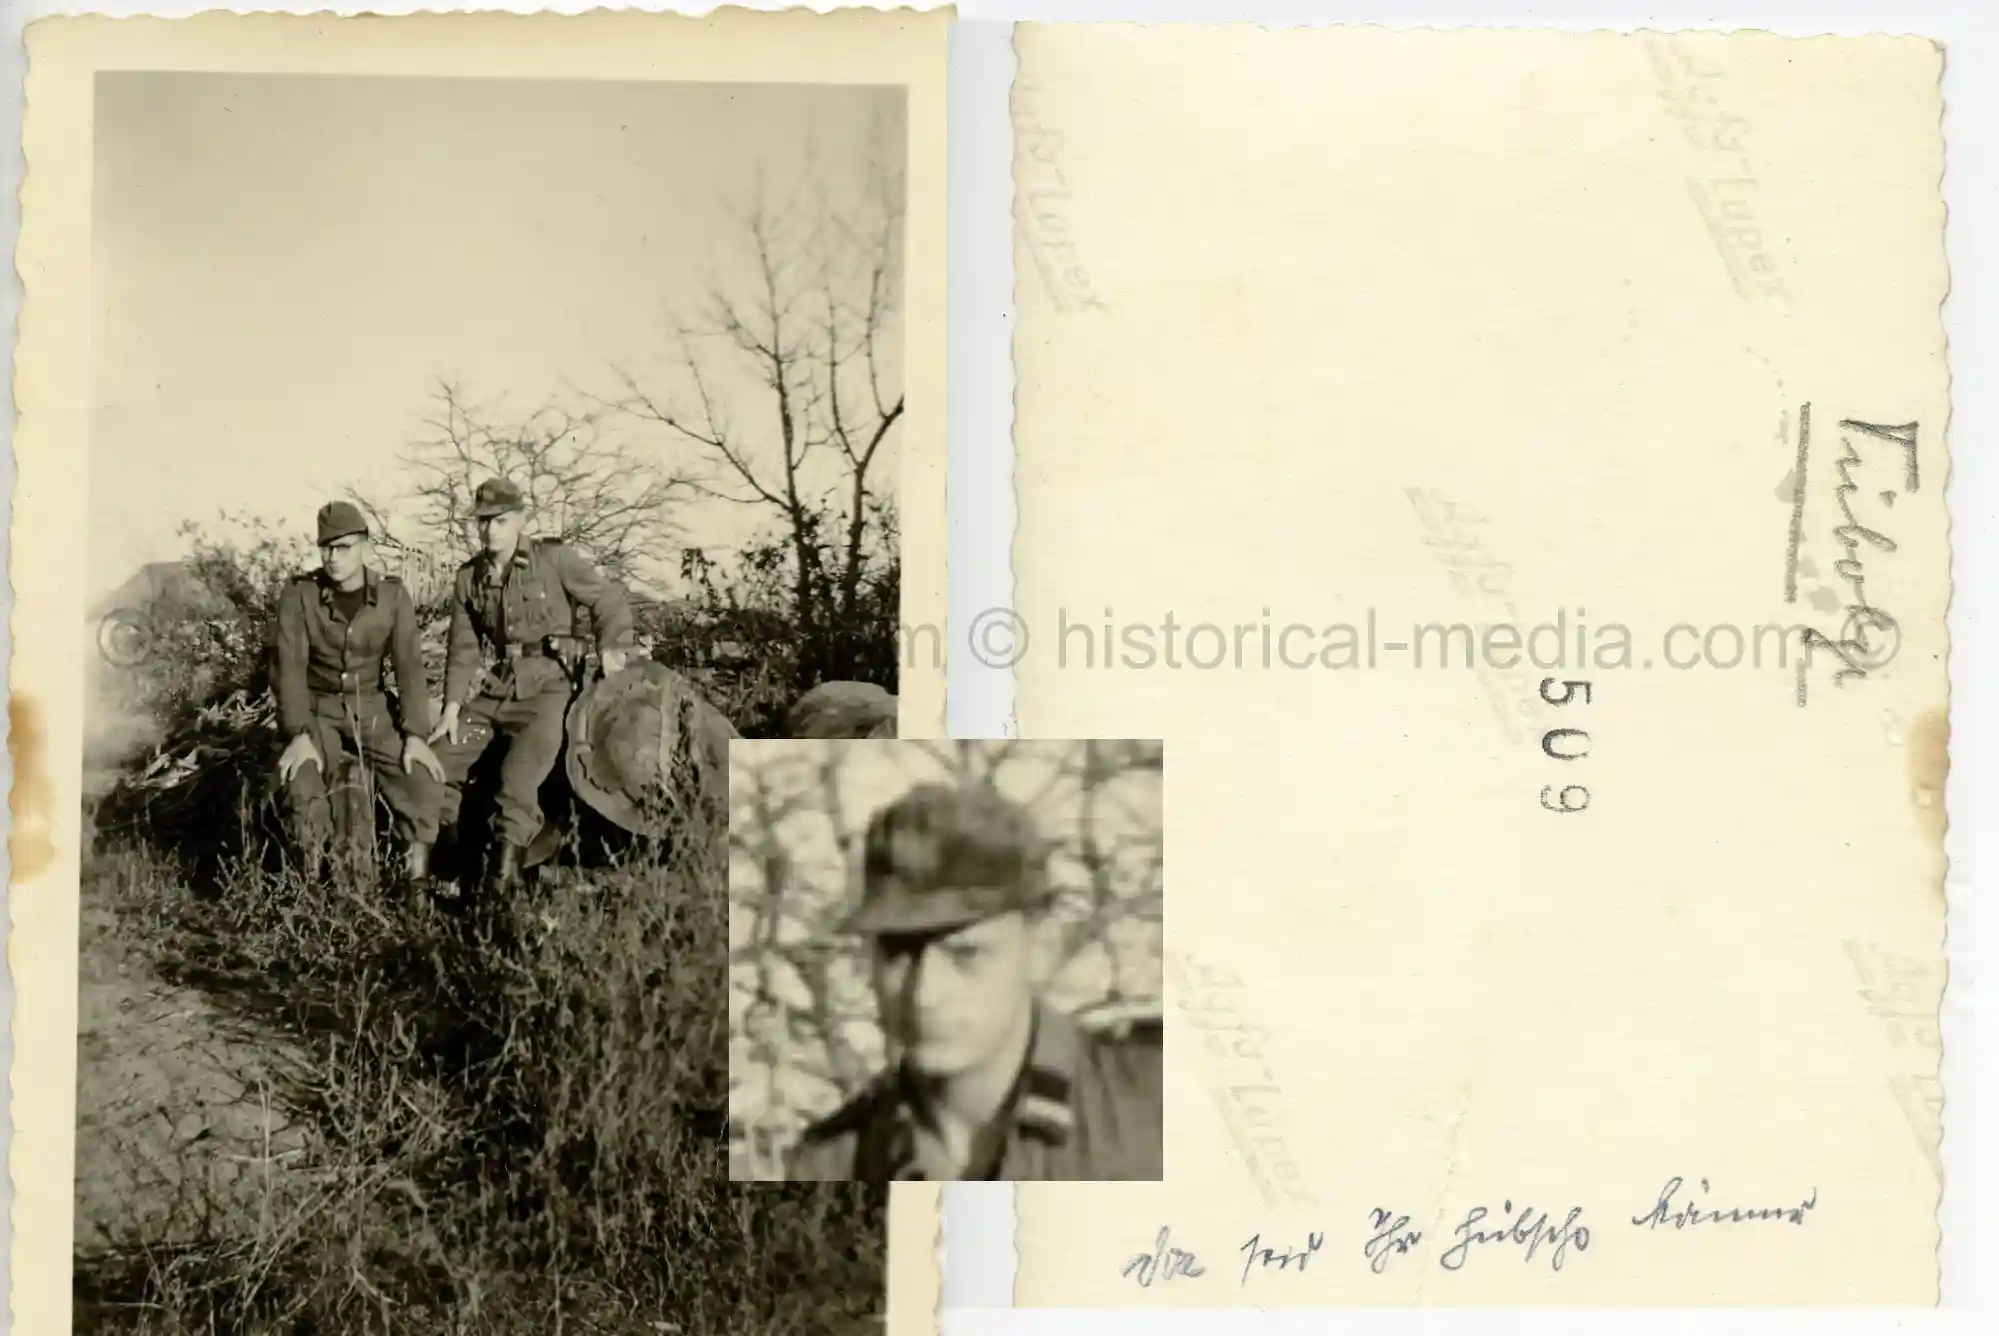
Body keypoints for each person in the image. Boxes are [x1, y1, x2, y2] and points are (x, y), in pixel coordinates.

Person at [786, 782, 1164, 1182]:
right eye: (898, 952)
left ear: (1042, 950)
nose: (924, 993)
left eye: (965, 954)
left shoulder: (1157, 1110)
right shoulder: (829, 1164)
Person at [429, 478, 633, 892]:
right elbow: (463, 648)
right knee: (436, 763)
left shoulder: (553, 559)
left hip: (549, 688)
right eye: (483, 521)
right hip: (496, 689)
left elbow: (607, 599)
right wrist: (451, 708)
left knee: (518, 780)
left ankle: (502, 889)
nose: (490, 530)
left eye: (500, 520)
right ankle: (448, 868)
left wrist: (612, 647)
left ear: (521, 519)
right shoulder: (469, 577)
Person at [273, 501, 447, 881]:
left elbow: (409, 669)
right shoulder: (300, 595)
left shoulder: (391, 596)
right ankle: (310, 890)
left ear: (365, 545)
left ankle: (415, 888)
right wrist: (298, 735)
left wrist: (415, 735)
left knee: (421, 783)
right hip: (317, 712)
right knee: (303, 783)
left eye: (343, 547)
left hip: (372, 710)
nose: (333, 558)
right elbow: (289, 670)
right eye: (326, 548)